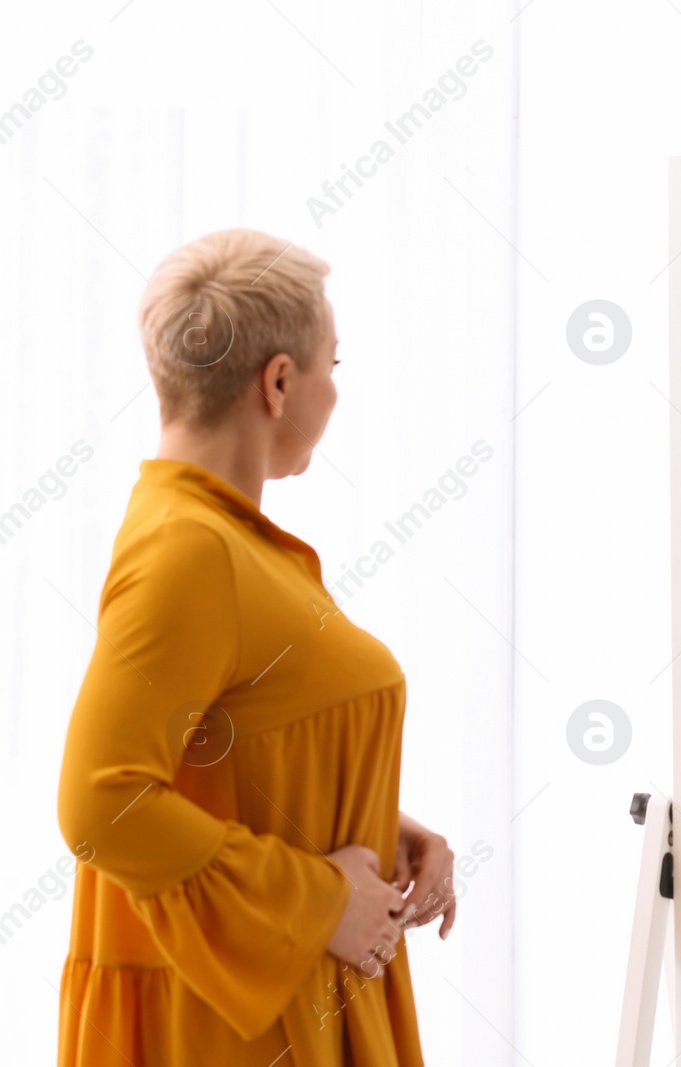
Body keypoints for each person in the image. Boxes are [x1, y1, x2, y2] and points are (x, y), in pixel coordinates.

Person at [55, 229, 455, 1066]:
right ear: (278, 381)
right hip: (243, 1032)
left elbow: (223, 754)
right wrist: (319, 901)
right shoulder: (188, 549)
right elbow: (102, 803)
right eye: (332, 367)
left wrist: (383, 822)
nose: (335, 392)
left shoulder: (221, 539)